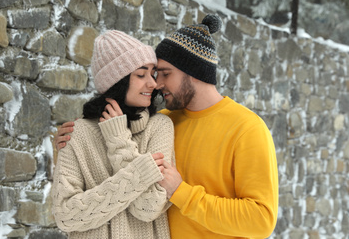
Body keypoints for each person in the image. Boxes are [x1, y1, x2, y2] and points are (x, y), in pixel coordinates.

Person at [55, 15, 279, 239]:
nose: (156, 84)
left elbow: (261, 220)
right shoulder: (166, 119)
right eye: (153, 74)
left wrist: (183, 193)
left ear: (194, 72)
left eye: (165, 74)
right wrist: (67, 144)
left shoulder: (247, 128)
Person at [51, 30, 174, 239]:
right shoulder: (77, 133)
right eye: (140, 74)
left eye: (152, 73)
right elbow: (65, 216)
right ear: (118, 81)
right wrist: (141, 172)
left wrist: (119, 141)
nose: (153, 84)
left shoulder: (160, 126)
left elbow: (149, 208)